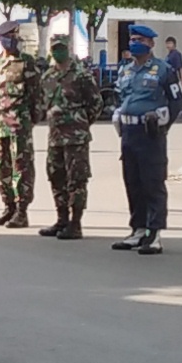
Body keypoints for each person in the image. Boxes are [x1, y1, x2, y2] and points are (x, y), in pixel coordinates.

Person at [110, 25, 171, 254]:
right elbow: (123, 97)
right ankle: (138, 228)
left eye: (141, 40)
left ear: (151, 44)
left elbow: (174, 101)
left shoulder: (162, 69)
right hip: (128, 133)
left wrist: (163, 121)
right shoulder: (125, 70)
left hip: (150, 133)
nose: (136, 43)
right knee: (133, 183)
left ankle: (154, 233)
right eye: (133, 39)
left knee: (152, 183)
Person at [38, 36, 105, 241]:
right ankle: (61, 219)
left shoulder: (81, 75)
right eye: (55, 49)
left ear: (69, 49)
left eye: (62, 48)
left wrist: (80, 122)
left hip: (76, 137)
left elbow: (96, 104)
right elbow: (44, 105)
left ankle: (76, 224)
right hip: (55, 137)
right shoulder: (48, 76)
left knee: (76, 179)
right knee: (55, 176)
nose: (58, 52)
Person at [0, 21, 42, 228]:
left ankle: (21, 211)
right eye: (10, 36)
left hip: (19, 124)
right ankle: (8, 206)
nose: (14, 39)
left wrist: (29, 121)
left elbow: (36, 96)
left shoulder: (26, 62)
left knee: (22, 166)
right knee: (2, 166)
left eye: (16, 36)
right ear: (1, 39)